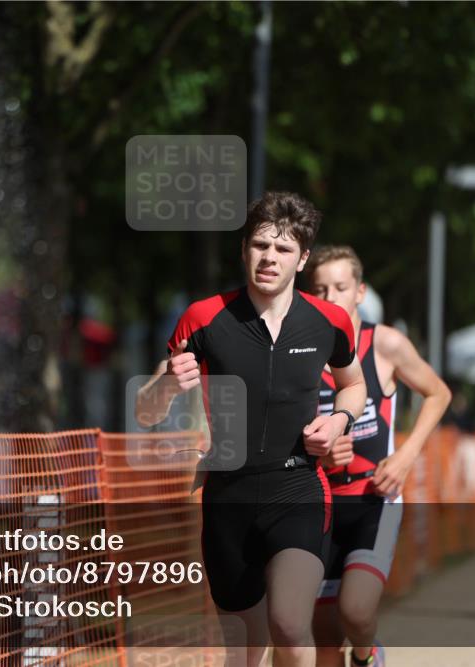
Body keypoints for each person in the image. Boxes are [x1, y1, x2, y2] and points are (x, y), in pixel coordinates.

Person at [135, 192, 367, 667]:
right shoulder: (204, 317)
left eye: (283, 249)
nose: (269, 257)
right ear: (244, 250)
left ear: (302, 259)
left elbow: (354, 384)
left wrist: (340, 419)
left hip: (297, 487)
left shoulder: (329, 322)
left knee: (288, 623)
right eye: (261, 245)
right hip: (228, 495)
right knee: (242, 649)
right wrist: (164, 387)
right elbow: (145, 411)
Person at [302, 246, 451, 667]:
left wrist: (405, 456)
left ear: (360, 292)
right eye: (319, 289)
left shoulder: (384, 344)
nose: (330, 298)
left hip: (374, 498)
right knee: (323, 633)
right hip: (320, 502)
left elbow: (438, 393)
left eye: (340, 287)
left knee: (356, 610)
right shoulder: (301, 354)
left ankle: (367, 657)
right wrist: (317, 457)